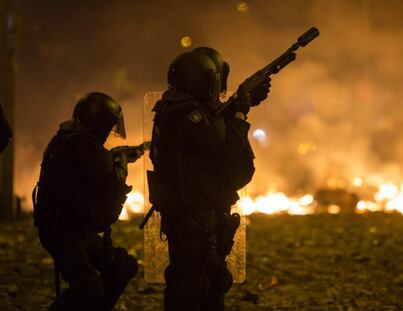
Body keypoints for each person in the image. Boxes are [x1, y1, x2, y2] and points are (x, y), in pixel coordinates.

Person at [148, 48, 271, 311]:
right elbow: (223, 149)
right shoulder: (186, 115)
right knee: (190, 286)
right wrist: (239, 114)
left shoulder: (183, 110)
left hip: (201, 209)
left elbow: (212, 130)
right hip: (191, 213)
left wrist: (244, 102)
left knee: (214, 279)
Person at [33, 92, 139, 311]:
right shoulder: (85, 149)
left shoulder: (68, 139)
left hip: (67, 228)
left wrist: (115, 160)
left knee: (123, 266)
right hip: (62, 233)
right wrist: (120, 168)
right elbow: (106, 211)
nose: (109, 134)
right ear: (100, 124)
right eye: (108, 127)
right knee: (89, 289)